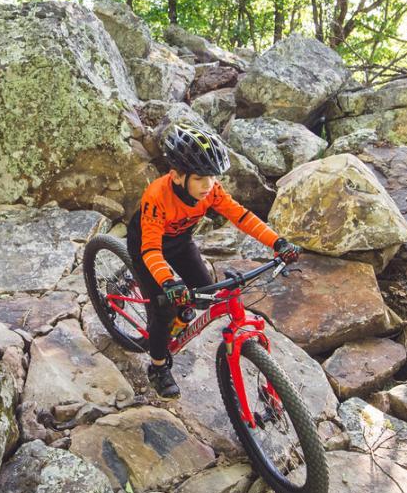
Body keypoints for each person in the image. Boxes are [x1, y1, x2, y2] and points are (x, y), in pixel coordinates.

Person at [126, 122, 301, 399]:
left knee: (205, 293)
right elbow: (150, 250)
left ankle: (181, 313)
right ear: (177, 176)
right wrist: (168, 282)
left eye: (212, 177)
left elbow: (241, 216)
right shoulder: (157, 196)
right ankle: (158, 367)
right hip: (146, 246)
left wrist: (277, 243)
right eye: (199, 178)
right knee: (162, 312)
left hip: (180, 242)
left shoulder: (211, 190)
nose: (208, 185)